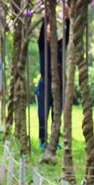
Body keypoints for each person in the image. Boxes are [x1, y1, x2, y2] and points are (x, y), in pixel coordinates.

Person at [36, 12, 69, 151]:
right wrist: (47, 17)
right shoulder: (43, 45)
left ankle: (54, 139)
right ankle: (43, 140)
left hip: (59, 84)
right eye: (49, 29)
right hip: (44, 84)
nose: (50, 31)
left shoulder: (61, 46)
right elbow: (42, 34)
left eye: (53, 29)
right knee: (43, 114)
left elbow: (69, 34)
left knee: (57, 113)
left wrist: (67, 18)